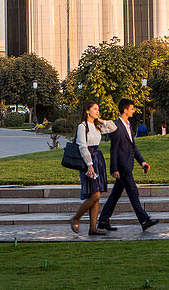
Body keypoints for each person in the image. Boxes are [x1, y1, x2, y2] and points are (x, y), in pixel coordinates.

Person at [97, 98, 158, 232]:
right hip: (122, 167)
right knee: (133, 192)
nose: (133, 111)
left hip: (127, 165)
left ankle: (103, 220)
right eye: (131, 109)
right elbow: (114, 149)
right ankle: (144, 220)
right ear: (125, 110)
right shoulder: (116, 127)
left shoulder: (128, 125)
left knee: (115, 195)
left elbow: (133, 147)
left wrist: (142, 162)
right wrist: (114, 169)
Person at [70, 101, 117, 236]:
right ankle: (76, 218)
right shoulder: (82, 126)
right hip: (88, 161)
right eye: (95, 109)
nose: (97, 111)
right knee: (95, 194)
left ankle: (93, 228)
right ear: (87, 111)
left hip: (98, 159)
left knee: (96, 195)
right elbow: (82, 147)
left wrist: (99, 119)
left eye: (98, 109)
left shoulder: (97, 126)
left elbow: (113, 127)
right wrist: (89, 165)